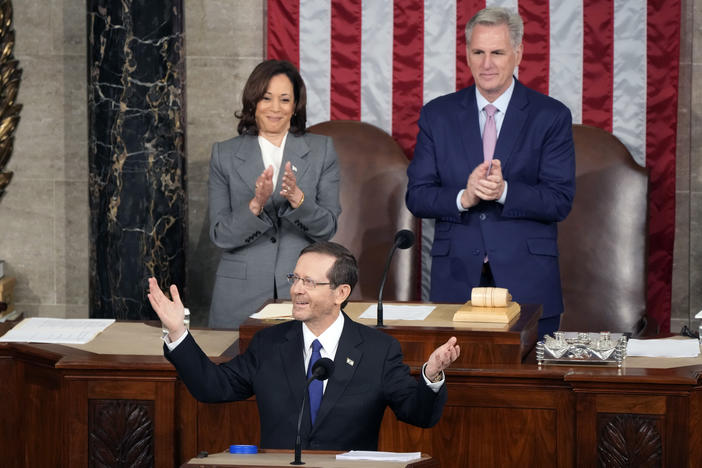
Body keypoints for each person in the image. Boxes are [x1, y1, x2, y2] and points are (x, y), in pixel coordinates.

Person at [148, 241, 460, 451]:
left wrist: (431, 376)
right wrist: (178, 332)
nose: (296, 289)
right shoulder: (269, 343)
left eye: (309, 282)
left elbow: (418, 414)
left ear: (341, 293)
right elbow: (213, 387)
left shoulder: (378, 350)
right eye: (295, 278)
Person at [405, 7, 575, 339]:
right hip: (456, 282)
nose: (487, 64)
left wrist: (505, 192)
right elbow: (418, 195)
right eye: (478, 52)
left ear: (518, 54)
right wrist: (463, 197)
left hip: (527, 282)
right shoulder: (437, 115)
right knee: (458, 388)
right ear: (467, 54)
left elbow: (559, 200)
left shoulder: (550, 116)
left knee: (530, 389)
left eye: (497, 53)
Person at [207, 60, 341, 329]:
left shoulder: (321, 150)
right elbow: (221, 234)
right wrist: (256, 204)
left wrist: (298, 200)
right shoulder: (224, 154)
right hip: (238, 296)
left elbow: (327, 228)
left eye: (284, 99)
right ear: (253, 103)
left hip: (304, 291)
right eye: (266, 98)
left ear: (295, 106)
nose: (275, 108)